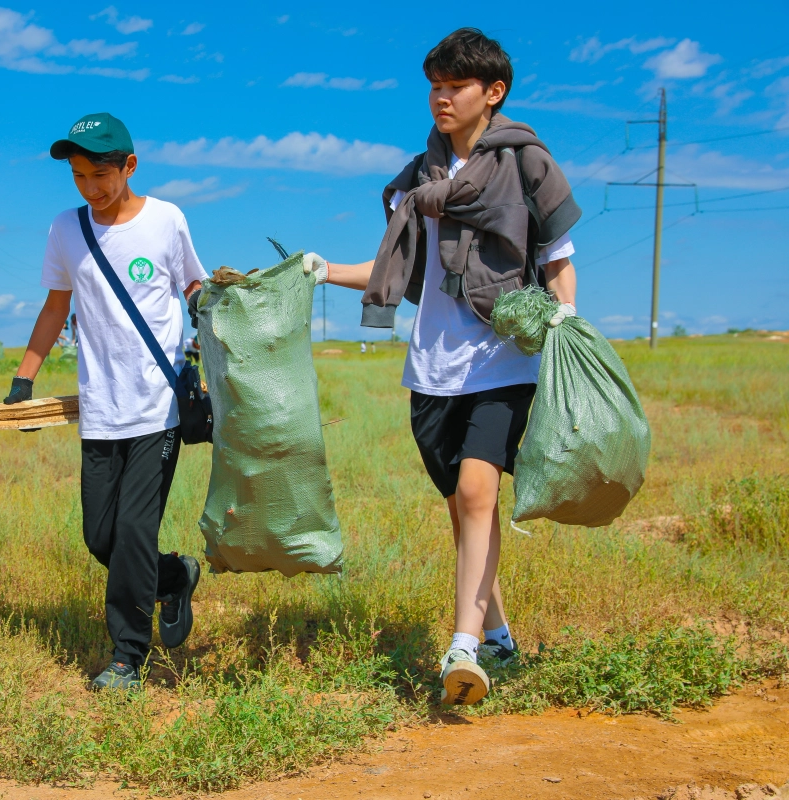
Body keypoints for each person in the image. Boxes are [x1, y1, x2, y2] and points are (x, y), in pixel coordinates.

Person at [306, 29, 580, 706]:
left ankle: (463, 645)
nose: (441, 97)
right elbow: (395, 271)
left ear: (493, 93)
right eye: (434, 85)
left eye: (454, 86)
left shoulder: (524, 165)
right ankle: (501, 636)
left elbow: (557, 257)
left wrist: (565, 314)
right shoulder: (421, 179)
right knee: (463, 512)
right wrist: (322, 271)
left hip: (502, 359)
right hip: (431, 371)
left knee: (481, 495)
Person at [4, 112, 206, 692]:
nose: (90, 187)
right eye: (78, 176)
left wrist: (209, 314)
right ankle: (174, 577)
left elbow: (193, 287)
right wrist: (25, 380)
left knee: (135, 531)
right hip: (100, 409)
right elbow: (54, 307)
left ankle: (127, 656)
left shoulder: (167, 220)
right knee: (101, 538)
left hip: (157, 407)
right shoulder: (66, 230)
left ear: (129, 166)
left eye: (100, 173)